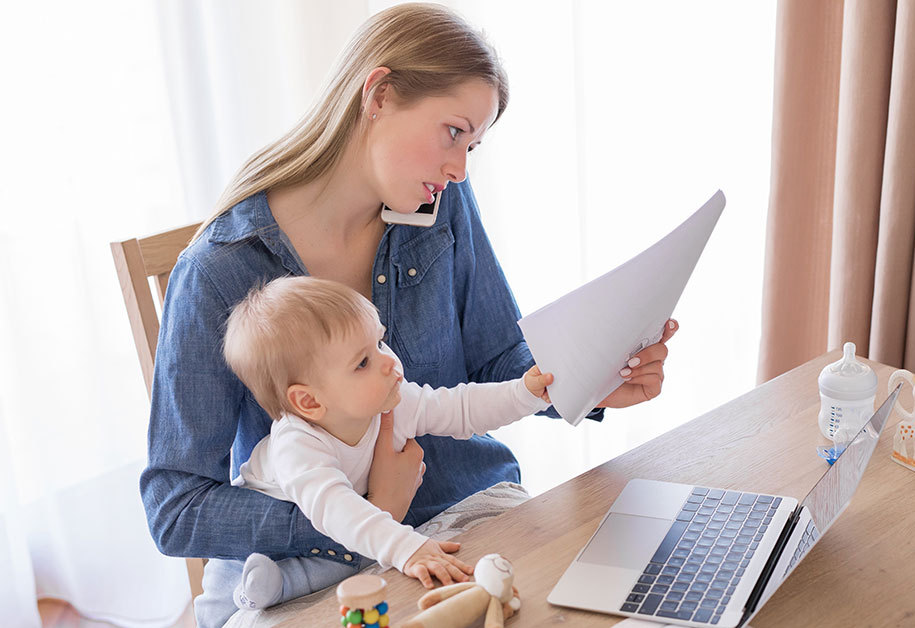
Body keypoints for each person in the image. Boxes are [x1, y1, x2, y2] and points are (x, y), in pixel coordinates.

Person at [138, 3, 675, 626]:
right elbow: (176, 508)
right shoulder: (219, 270)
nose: (460, 168)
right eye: (453, 133)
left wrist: (596, 376)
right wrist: (365, 512)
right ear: (380, 94)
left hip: (470, 513)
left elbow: (500, 357)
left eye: (472, 144)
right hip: (302, 568)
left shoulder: (441, 204)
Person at [222, 276, 553, 611]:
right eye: (363, 362)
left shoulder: (391, 400)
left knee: (352, 555)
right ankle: (269, 586)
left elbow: (460, 408)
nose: (389, 362)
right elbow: (337, 509)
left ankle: (281, 583)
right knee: (347, 548)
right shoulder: (297, 444)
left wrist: (524, 394)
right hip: (255, 551)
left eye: (380, 343)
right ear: (309, 402)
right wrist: (407, 548)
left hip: (337, 538)